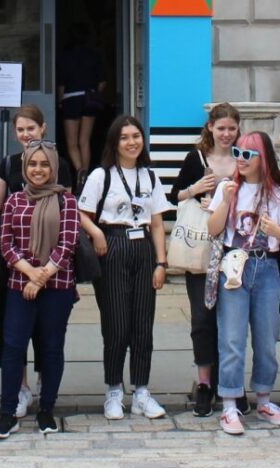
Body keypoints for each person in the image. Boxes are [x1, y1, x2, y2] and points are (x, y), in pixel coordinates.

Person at [0, 104, 74, 418]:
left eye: (30, 128)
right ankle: (18, 392)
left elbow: (67, 229)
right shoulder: (10, 165)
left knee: (49, 341)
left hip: (53, 274)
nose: (25, 134)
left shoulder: (61, 173)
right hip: (19, 272)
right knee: (14, 339)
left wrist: (43, 274)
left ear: (42, 128)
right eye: (20, 129)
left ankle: (47, 396)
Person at [78, 115, 170, 421]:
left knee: (143, 325)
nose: (132, 142)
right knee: (117, 325)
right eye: (124, 137)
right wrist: (98, 234)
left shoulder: (150, 177)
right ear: (114, 142)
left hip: (143, 246)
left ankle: (142, 390)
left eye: (136, 136)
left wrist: (161, 262)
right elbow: (82, 214)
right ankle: (113, 390)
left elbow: (157, 223)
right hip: (112, 245)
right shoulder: (100, 176)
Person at [0, 141, 79, 439]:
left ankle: (46, 411)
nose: (38, 169)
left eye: (44, 164)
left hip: (57, 286)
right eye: (32, 164)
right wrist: (29, 273)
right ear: (25, 167)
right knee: (14, 348)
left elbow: (67, 244)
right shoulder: (14, 200)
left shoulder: (66, 201)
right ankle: (7, 413)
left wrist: (40, 278)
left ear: (53, 167)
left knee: (52, 348)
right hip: (19, 286)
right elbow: (5, 244)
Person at [169, 103, 240, 418]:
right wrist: (194, 190)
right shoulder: (195, 158)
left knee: (233, 322)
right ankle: (204, 383)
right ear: (210, 127)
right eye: (221, 127)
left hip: (236, 250)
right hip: (202, 249)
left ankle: (231, 383)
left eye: (231, 128)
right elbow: (173, 197)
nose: (226, 134)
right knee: (202, 319)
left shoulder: (244, 159)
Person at [207, 131, 280, 435]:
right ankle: (229, 404)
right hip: (233, 268)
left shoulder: (276, 191)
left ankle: (263, 397)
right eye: (238, 152)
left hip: (267, 266)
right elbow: (212, 229)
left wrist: (275, 229)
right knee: (232, 339)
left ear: (264, 158)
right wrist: (225, 202)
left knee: (266, 339)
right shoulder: (228, 187)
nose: (241, 159)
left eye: (248, 154)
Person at [58, 24, 107, 181]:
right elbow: (102, 82)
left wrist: (60, 102)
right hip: (89, 99)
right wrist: (95, 94)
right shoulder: (94, 55)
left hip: (70, 99)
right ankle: (87, 176)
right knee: (84, 140)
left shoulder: (65, 57)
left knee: (71, 143)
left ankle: (80, 172)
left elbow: (61, 84)